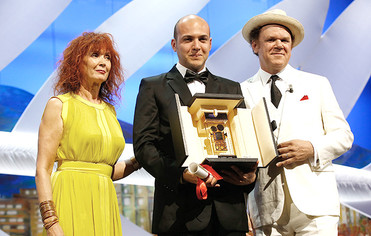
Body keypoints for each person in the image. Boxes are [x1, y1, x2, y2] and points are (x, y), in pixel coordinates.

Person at [133, 15, 257, 235]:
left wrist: (248, 178)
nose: (196, 46)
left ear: (210, 43)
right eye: (188, 39)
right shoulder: (153, 87)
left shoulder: (232, 89)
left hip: (229, 213)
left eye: (202, 39)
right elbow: (144, 146)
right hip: (177, 214)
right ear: (174, 44)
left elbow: (243, 143)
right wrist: (180, 174)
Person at [240, 9, 354, 235]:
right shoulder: (241, 91)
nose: (279, 45)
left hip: (316, 207)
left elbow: (344, 136)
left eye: (285, 40)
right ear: (255, 46)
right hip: (265, 208)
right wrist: (243, 207)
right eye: (271, 40)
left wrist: (312, 148)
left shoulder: (317, 85)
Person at [35, 32, 140, 235]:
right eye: (95, 55)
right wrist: (50, 221)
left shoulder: (110, 111)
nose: (103, 62)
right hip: (68, 199)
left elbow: (106, 171)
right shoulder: (59, 105)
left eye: (107, 57)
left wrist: (139, 160)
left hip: (104, 202)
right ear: (77, 62)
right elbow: (43, 168)